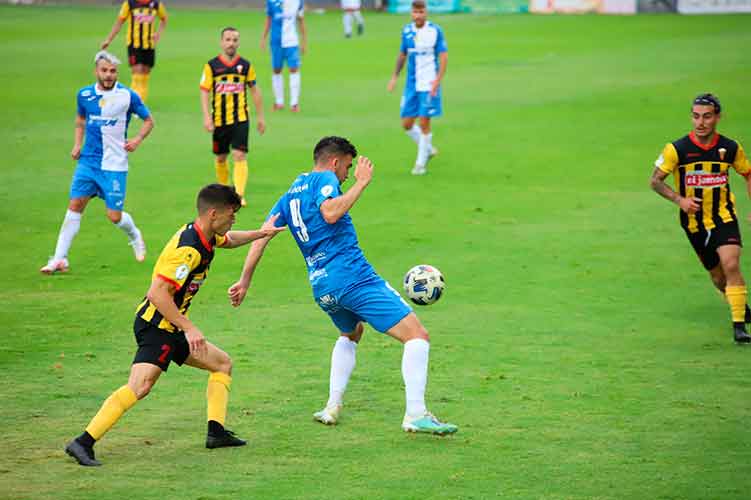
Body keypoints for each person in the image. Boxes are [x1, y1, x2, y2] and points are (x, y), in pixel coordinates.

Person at [228, 136, 458, 435]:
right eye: (348, 167)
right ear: (334, 162)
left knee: (351, 333)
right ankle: (415, 414)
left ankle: (331, 406)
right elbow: (331, 212)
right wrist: (361, 183)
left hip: (322, 288)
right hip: (352, 276)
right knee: (417, 336)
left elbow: (263, 234)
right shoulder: (325, 178)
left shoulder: (291, 193)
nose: (348, 174)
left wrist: (245, 280)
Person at [64, 184, 286, 466]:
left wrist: (261, 233)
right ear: (214, 213)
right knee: (140, 386)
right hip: (157, 327)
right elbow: (157, 293)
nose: (234, 220)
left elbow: (229, 239)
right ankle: (83, 442)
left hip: (173, 327)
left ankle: (216, 433)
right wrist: (189, 327)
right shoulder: (188, 250)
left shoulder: (204, 234)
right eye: (232, 214)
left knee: (222, 364)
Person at [650, 93, 751, 344]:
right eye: (696, 116)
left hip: (724, 216)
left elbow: (748, 174)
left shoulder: (730, 148)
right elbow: (655, 181)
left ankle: (739, 326)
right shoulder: (677, 149)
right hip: (694, 223)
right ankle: (740, 306)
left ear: (717, 117)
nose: (701, 122)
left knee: (731, 264)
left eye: (707, 116)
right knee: (718, 277)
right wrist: (679, 200)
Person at [41, 51, 153, 275]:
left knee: (114, 216)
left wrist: (137, 139)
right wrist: (76, 145)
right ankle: (59, 258)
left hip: (115, 164)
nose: (108, 75)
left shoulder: (128, 96)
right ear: (96, 71)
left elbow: (149, 120)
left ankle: (134, 235)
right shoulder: (84, 95)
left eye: (112, 71)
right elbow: (80, 120)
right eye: (104, 70)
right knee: (75, 206)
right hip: (89, 163)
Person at [200, 27, 266, 208]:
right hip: (219, 120)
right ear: (222, 42)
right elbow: (204, 92)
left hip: (241, 119)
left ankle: (238, 194)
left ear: (238, 42)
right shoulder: (211, 66)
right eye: (228, 39)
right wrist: (207, 117)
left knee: (239, 155)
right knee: (221, 158)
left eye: (235, 40)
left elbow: (255, 91)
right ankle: (223, 191)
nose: (231, 43)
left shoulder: (245, 66)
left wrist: (260, 117)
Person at [387, 0, 447, 176]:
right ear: (411, 12)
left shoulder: (435, 31)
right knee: (406, 124)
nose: (418, 15)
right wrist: (394, 77)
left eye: (421, 12)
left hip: (429, 84)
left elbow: (443, 57)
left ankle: (420, 164)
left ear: (426, 12)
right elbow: (402, 54)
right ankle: (427, 148)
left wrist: (437, 81)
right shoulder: (407, 31)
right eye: (415, 12)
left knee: (424, 122)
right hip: (411, 84)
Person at [101, 0, 168, 102]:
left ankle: (140, 102)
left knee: (145, 74)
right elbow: (119, 22)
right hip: (134, 44)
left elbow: (164, 19)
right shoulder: (130, 3)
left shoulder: (156, 4)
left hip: (149, 45)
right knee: (137, 72)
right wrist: (109, 39)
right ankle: (133, 103)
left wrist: (158, 33)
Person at [261, 0, 306, 112]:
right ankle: (279, 102)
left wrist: (304, 40)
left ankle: (294, 103)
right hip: (276, 41)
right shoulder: (271, 2)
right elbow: (268, 19)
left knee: (294, 69)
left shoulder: (298, 2)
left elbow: (301, 20)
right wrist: (263, 38)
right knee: (276, 70)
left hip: (292, 42)